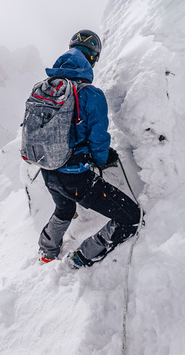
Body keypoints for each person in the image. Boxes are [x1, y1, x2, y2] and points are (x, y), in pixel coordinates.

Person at [38, 30, 142, 269]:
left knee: (64, 208)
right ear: (92, 59)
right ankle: (80, 258)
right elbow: (99, 139)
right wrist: (103, 159)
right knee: (131, 219)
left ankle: (47, 250)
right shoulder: (90, 94)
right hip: (75, 178)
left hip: (47, 169)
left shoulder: (45, 88)